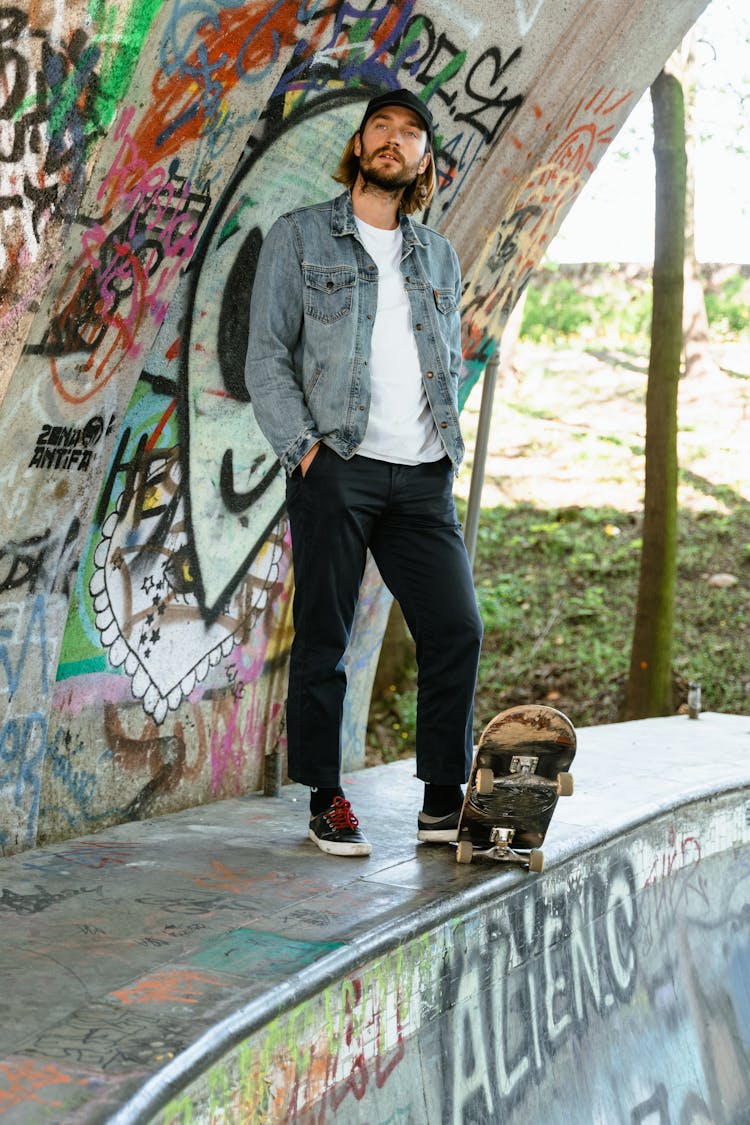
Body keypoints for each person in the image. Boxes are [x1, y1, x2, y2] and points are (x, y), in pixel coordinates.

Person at [245, 88, 483, 856]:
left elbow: (441, 356)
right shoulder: (301, 236)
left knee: (455, 627)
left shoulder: (437, 252)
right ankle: (325, 796)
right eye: (381, 126)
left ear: (423, 161)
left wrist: (446, 448)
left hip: (421, 476)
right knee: (326, 636)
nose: (394, 139)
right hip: (338, 464)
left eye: (411, 132)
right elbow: (267, 356)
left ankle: (442, 802)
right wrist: (306, 451)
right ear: (359, 144)